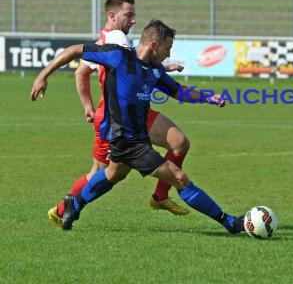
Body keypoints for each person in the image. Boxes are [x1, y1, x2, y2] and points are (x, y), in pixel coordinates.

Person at [32, 19, 245, 233]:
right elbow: (74, 50)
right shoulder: (118, 56)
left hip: (137, 138)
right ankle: (229, 222)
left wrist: (209, 97)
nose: (169, 54)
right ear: (154, 44)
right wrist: (43, 75)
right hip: (126, 140)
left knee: (113, 174)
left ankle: (74, 204)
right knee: (179, 178)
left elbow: (179, 91)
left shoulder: (154, 70)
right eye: (167, 48)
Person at [48, 0, 192, 227]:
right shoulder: (117, 39)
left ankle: (65, 209)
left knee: (105, 171)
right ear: (112, 16)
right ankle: (160, 195)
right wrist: (162, 68)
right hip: (122, 111)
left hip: (116, 110)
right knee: (108, 172)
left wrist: (87, 105)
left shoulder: (104, 39)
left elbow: (81, 72)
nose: (134, 20)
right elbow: (136, 61)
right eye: (129, 14)